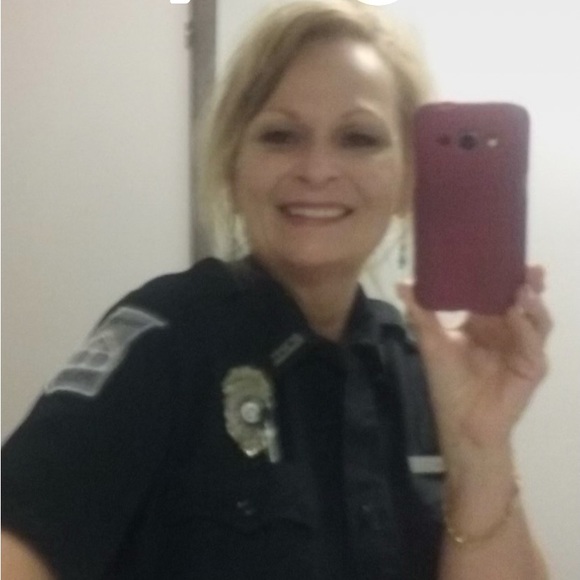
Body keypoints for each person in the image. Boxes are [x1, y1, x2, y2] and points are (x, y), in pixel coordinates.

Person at [2, 1, 552, 578]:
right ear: (233, 166)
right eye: (281, 136)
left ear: (409, 179)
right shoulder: (166, 339)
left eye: (358, 138)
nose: (316, 169)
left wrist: (480, 448)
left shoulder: (423, 367)